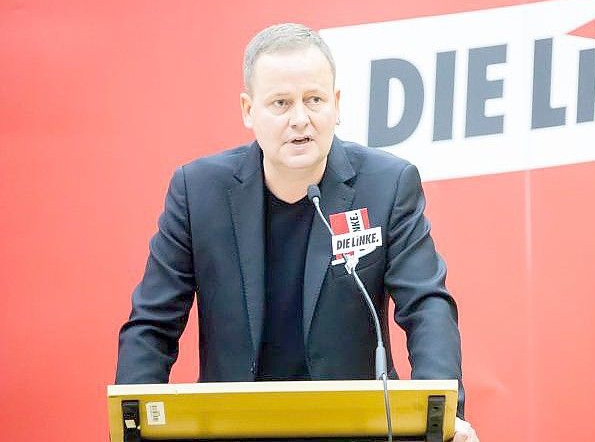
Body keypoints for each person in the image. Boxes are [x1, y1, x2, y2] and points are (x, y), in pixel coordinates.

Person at [116, 23, 479, 442]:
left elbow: (426, 305)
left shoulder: (387, 184)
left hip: (357, 428)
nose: (300, 119)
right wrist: (133, 425)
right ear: (248, 110)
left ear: (336, 104)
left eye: (314, 100)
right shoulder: (198, 192)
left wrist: (440, 415)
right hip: (236, 429)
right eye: (281, 103)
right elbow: (152, 324)